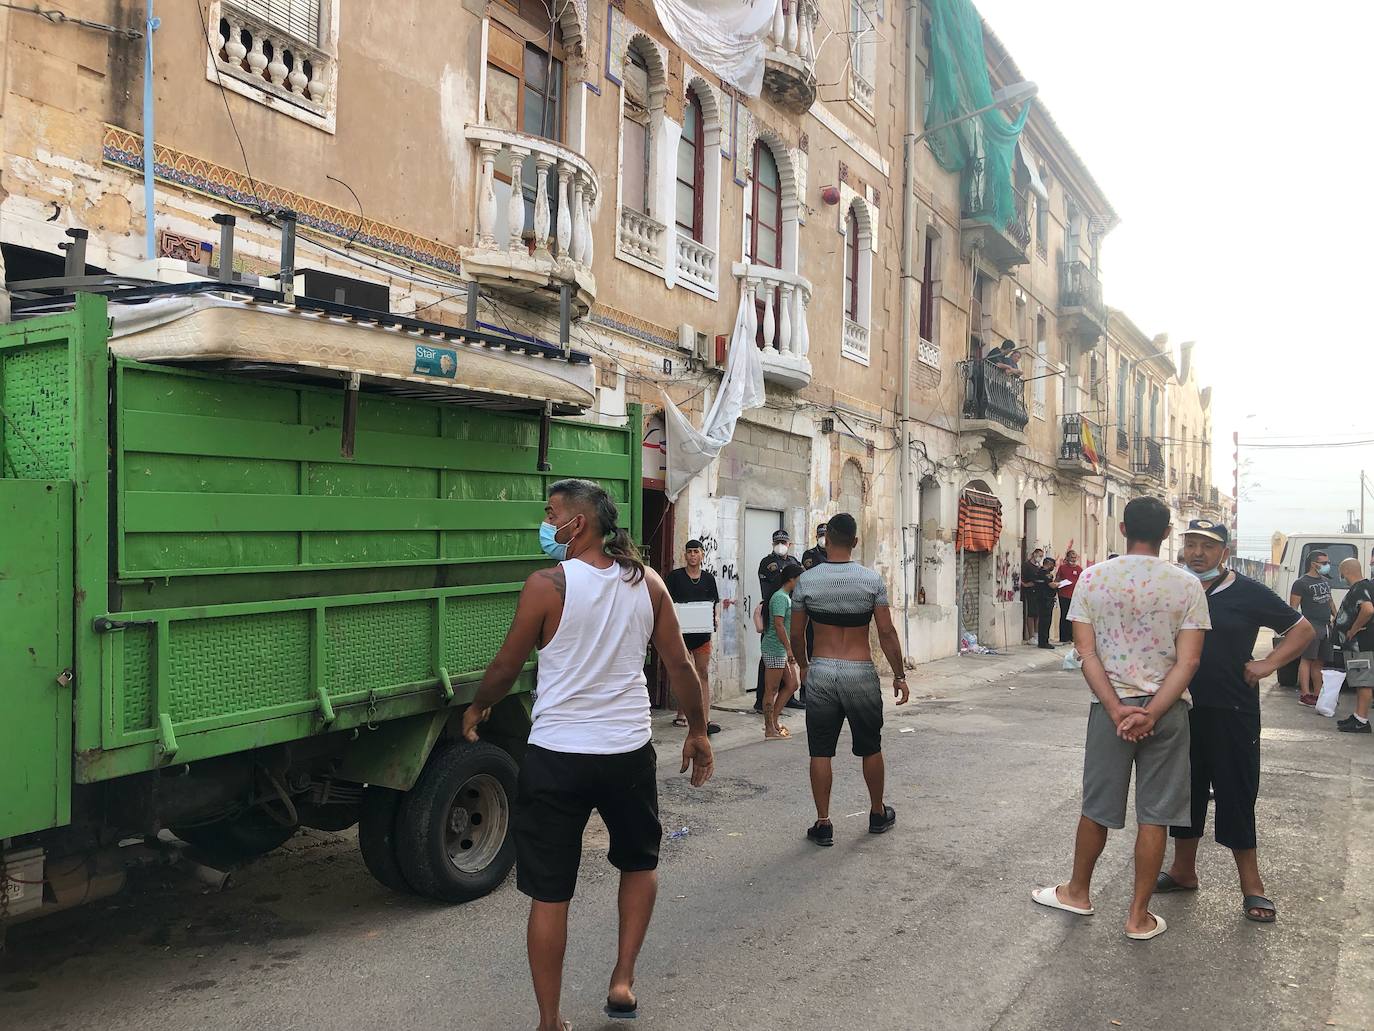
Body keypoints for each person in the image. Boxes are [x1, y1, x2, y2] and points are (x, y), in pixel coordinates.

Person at [461, 478, 715, 1030]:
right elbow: (681, 666)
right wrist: (698, 730)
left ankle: (550, 1021)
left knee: (550, 893)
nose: (546, 524)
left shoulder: (546, 586)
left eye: (551, 514)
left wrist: (478, 707)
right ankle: (622, 979)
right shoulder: (647, 583)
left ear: (576, 524)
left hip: (557, 756)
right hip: (626, 753)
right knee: (639, 862)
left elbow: (507, 666)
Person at [1032, 496, 1209, 941]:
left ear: (1123, 528)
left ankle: (1077, 892)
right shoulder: (1187, 586)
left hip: (1110, 710)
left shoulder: (1092, 579)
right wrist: (1151, 712)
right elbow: (1187, 663)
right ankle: (1138, 917)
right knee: (1155, 815)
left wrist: (1116, 708)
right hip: (1166, 712)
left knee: (1096, 806)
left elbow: (1085, 651)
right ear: (1167, 534)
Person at [1156, 520, 1314, 924]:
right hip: (1181, 707)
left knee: (1236, 793)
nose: (1197, 553)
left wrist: (1267, 665)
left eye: (1207, 547)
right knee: (1185, 792)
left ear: (1224, 553)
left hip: (1233, 710)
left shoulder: (1247, 592)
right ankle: (1183, 870)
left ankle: (1252, 886)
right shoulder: (1176, 586)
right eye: (1191, 544)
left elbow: (1302, 630)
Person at [788, 513, 908, 846]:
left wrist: (804, 665)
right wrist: (899, 675)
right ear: (855, 542)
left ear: (826, 541)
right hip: (860, 672)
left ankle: (823, 823)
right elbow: (886, 631)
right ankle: (876, 812)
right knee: (871, 746)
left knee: (820, 751)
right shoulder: (872, 581)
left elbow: (797, 634)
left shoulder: (807, 582)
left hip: (823, 671)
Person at [665, 539, 722, 735]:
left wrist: (715, 619)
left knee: (703, 673)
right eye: (689, 552)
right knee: (685, 674)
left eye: (696, 551)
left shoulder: (708, 579)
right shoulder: (675, 577)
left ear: (702, 554)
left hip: (702, 634)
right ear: (685, 555)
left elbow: (714, 605)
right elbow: (667, 603)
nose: (692, 555)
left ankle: (705, 719)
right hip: (680, 635)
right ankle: (682, 714)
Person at [762, 561, 805, 739]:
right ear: (791, 579)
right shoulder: (780, 597)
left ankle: (774, 720)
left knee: (792, 684)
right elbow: (779, 625)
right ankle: (769, 728)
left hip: (781, 649)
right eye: (799, 579)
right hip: (775, 648)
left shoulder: (786, 597)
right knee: (771, 689)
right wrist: (789, 650)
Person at [1289, 551, 1336, 707]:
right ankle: (1305, 694)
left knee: (1319, 662)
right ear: (1313, 564)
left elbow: (1330, 601)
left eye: (1327, 562)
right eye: (1323, 563)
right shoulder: (1301, 583)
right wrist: (1298, 628)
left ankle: (1317, 694)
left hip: (1325, 626)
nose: (1326, 565)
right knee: (1307, 659)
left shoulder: (1325, 581)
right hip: (1311, 626)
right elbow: (1294, 607)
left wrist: (1335, 617)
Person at [754, 528, 794, 714]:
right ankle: (762, 703)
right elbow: (770, 587)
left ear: (789, 544)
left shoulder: (793, 562)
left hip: (789, 613)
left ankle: (786, 702)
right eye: (777, 542)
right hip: (773, 612)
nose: (781, 545)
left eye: (783, 542)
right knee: (769, 665)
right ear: (772, 544)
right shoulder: (767, 563)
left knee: (790, 680)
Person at [1333, 557, 1374, 734]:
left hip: (1360, 645)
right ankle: (1358, 716)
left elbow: (1368, 609)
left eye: (1340, 572)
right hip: (1362, 645)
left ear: (1346, 572)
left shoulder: (1360, 588)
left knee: (1363, 681)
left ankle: (1361, 720)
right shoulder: (1367, 586)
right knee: (1362, 681)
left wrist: (1353, 630)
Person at [1055, 550, 1084, 644]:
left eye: (1075, 557)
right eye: (1072, 557)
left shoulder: (1079, 569)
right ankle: (1063, 637)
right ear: (1067, 558)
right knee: (1064, 615)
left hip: (1075, 596)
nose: (1073, 559)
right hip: (1063, 595)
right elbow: (1057, 579)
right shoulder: (1062, 568)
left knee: (1073, 617)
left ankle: (1072, 636)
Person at [1022, 547, 1046, 642]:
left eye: (1041, 556)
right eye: (1039, 555)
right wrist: (1026, 584)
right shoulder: (1026, 565)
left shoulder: (1038, 567)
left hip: (1039, 592)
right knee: (1031, 614)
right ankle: (1031, 636)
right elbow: (1022, 577)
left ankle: (1036, 634)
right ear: (1034, 554)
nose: (1040, 557)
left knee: (1038, 614)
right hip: (1030, 592)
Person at [1036, 555, 1059, 649]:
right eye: (1053, 565)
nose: (1053, 567)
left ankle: (1042, 641)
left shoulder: (1038, 571)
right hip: (1046, 599)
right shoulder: (1046, 574)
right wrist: (1060, 584)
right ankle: (1044, 642)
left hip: (1041, 598)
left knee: (1042, 621)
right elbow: (1052, 585)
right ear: (1049, 564)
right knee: (1045, 621)